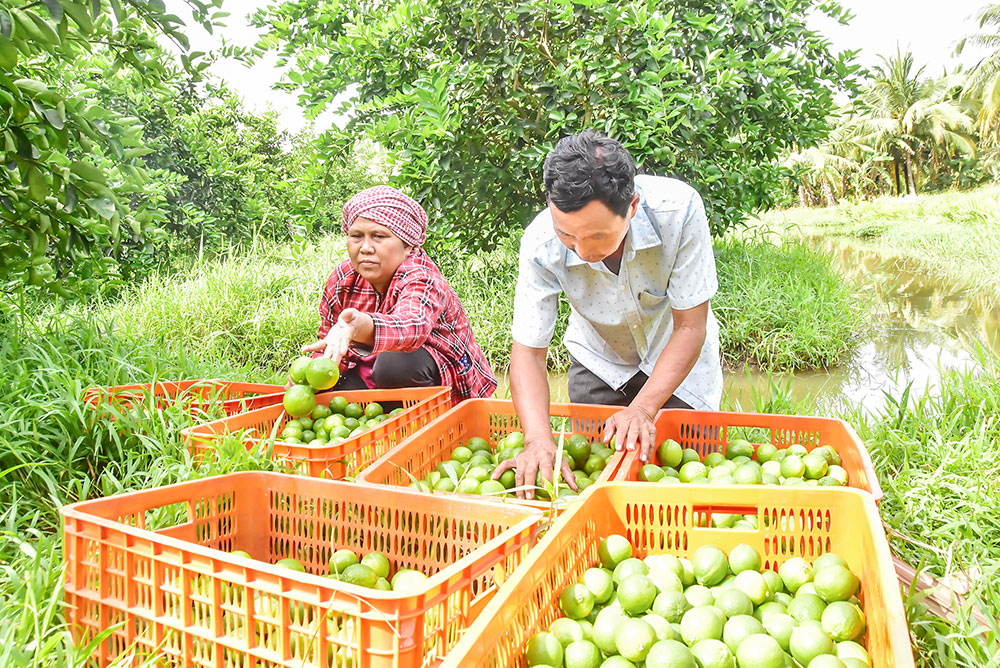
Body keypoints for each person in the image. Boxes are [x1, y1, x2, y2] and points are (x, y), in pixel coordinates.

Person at [494, 130, 722, 498]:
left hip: (676, 359)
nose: (582, 251)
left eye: (597, 236)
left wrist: (643, 409)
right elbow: (529, 353)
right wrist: (537, 439)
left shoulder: (677, 212)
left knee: (687, 479)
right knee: (596, 478)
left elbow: (690, 328)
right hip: (600, 360)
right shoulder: (540, 244)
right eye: (567, 235)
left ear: (631, 207)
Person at [300, 185, 497, 404]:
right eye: (356, 236)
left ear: (407, 246)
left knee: (394, 365)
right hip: (370, 372)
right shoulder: (343, 279)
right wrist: (309, 379)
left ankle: (427, 418)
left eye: (378, 236)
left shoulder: (422, 277)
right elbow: (332, 342)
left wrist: (360, 325)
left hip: (440, 380)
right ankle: (386, 415)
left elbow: (412, 326)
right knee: (335, 394)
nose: (365, 248)